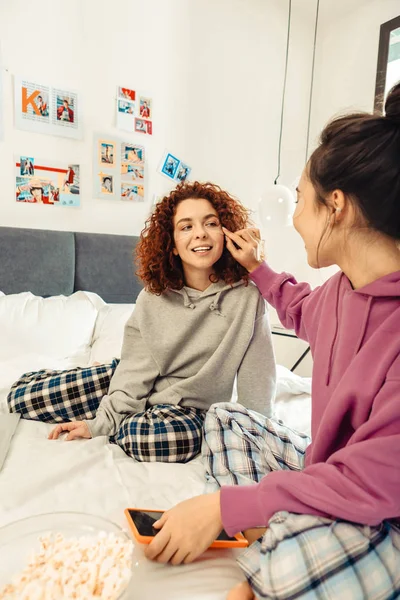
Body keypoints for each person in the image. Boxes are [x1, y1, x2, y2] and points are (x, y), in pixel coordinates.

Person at [143, 83, 400, 599]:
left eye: (300, 200)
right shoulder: (340, 290)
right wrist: (257, 267)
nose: (294, 218)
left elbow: (370, 483)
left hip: (382, 512)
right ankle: (281, 531)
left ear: (337, 207)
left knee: (285, 567)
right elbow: (300, 307)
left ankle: (279, 549)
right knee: (225, 418)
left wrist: (226, 507)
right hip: (327, 472)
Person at [9, 182, 276, 463]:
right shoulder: (154, 297)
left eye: (210, 223)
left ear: (226, 233)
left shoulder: (247, 297)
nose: (200, 233)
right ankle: (100, 399)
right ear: (171, 244)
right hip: (132, 381)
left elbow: (258, 380)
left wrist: (254, 435)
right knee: (20, 397)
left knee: (145, 439)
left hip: (192, 410)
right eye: (186, 227)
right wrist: (104, 420)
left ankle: (119, 412)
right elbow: (136, 370)